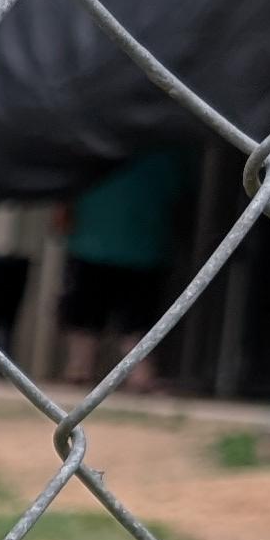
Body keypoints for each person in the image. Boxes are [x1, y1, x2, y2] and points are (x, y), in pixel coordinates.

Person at [58, 145, 189, 388]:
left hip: (114, 246)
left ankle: (85, 371)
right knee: (124, 318)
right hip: (128, 247)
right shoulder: (165, 152)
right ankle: (129, 374)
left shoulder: (94, 145)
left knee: (101, 316)